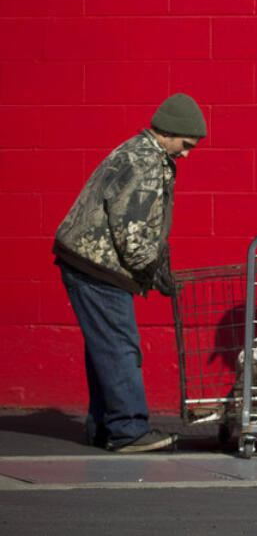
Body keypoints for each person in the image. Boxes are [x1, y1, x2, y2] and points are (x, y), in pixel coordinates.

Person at [53, 93, 206, 453]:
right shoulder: (145, 162)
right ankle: (128, 430)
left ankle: (106, 428)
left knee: (105, 347)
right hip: (98, 267)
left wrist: (158, 264)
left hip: (86, 260)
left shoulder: (140, 152)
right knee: (121, 346)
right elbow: (132, 230)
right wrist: (151, 271)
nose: (186, 153)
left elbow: (143, 225)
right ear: (169, 132)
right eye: (186, 144)